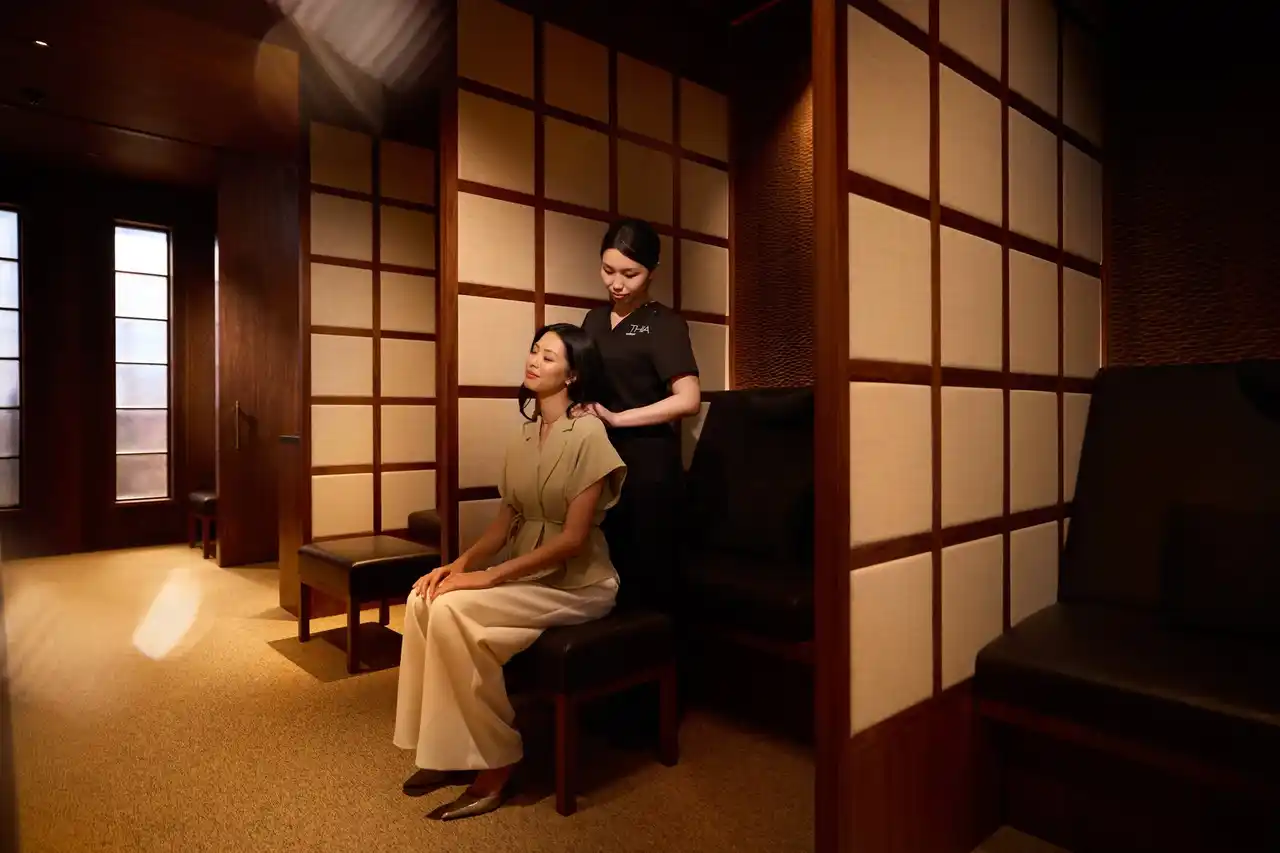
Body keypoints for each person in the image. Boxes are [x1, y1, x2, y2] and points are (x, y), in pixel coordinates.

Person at [393, 323, 626, 821]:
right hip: (529, 575)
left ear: (573, 375)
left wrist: (488, 578)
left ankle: (497, 762)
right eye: (534, 351)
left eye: (548, 356)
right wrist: (456, 566)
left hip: (580, 582)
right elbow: (503, 526)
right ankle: (445, 750)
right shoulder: (523, 436)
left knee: (453, 612)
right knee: (423, 598)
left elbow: (573, 540)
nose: (534, 360)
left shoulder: (590, 434)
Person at [579, 218, 701, 610]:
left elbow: (688, 400)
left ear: (652, 271)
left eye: (630, 274)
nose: (616, 283)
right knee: (602, 575)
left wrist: (618, 418)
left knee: (649, 580)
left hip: (648, 466)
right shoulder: (593, 321)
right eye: (608, 270)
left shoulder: (664, 323)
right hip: (600, 462)